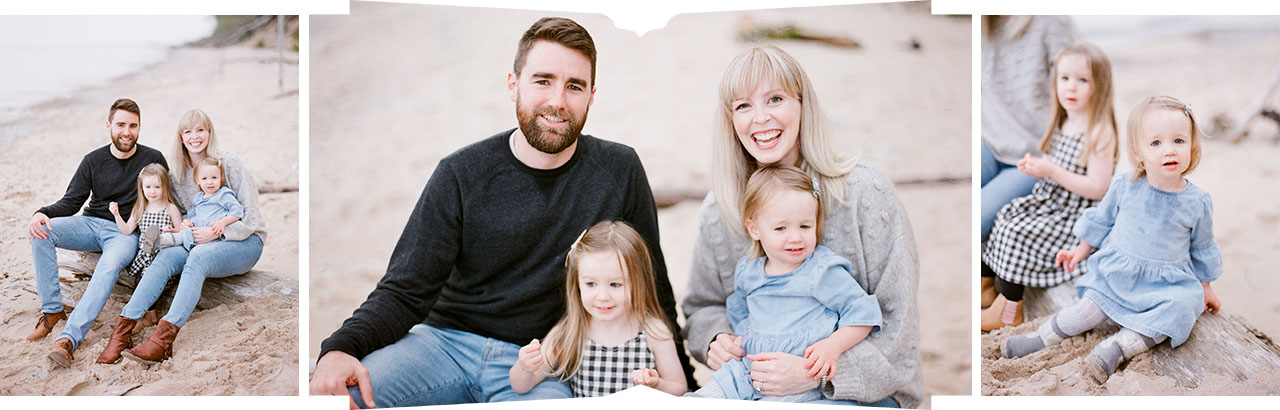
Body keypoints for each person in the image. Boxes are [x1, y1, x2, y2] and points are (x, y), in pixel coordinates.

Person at [309, 17, 693, 408]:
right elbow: (405, 289)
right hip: (444, 345)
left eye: (573, 86)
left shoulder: (620, 170)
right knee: (345, 399)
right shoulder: (461, 173)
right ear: (513, 85)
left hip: (542, 362)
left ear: (591, 96)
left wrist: (691, 389)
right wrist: (341, 348)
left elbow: (652, 288)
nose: (558, 101)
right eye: (543, 81)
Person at [682, 45, 921, 408]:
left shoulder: (865, 191)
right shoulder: (720, 209)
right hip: (757, 384)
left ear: (803, 105)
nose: (760, 118)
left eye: (775, 99)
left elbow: (897, 324)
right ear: (730, 119)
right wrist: (716, 340)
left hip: (860, 394)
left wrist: (817, 373)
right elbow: (702, 306)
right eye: (744, 106)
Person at [1003, 96, 1222, 385]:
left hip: (1166, 284)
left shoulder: (1197, 201)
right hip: (1118, 275)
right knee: (1085, 314)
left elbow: (1202, 247)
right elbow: (1102, 220)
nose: (1169, 150)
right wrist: (1080, 250)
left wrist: (1205, 288)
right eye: (1156, 143)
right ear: (1138, 151)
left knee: (1182, 309)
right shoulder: (1125, 185)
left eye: (1178, 141)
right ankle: (1039, 338)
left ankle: (1118, 347)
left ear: (1192, 146)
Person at [686, 165, 881, 402]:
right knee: (715, 388)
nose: (795, 237)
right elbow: (737, 310)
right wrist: (734, 341)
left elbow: (864, 312)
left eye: (805, 226)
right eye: (781, 228)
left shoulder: (822, 271)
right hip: (751, 368)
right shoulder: (749, 273)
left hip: (799, 378)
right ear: (754, 229)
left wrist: (833, 346)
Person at [980, 42, 1118, 332]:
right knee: (1006, 215)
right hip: (1053, 200)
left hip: (1075, 213)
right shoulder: (1064, 121)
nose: (1071, 87)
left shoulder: (1099, 132)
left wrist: (1052, 170)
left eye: (1082, 80)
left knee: (1018, 232)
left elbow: (1097, 188)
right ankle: (986, 286)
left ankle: (1009, 309)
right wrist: (1037, 165)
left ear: (1100, 85)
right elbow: (1054, 161)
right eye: (1064, 79)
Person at [113, 108, 266, 365]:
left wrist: (218, 231)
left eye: (200, 130)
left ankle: (163, 341)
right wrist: (184, 227)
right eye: (188, 131)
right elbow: (186, 216)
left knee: (197, 257)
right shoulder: (178, 176)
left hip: (244, 242)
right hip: (199, 241)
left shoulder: (228, 163)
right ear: (181, 137)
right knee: (165, 257)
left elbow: (250, 218)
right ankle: (121, 334)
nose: (195, 137)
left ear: (209, 133)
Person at [32, 98, 168, 368]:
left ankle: (68, 339)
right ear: (109, 125)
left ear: (139, 128)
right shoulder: (93, 160)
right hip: (90, 223)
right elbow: (71, 202)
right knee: (42, 231)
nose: (126, 131)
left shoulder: (153, 158)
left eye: (133, 126)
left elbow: (165, 198)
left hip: (124, 234)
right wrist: (42, 212)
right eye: (120, 125)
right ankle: (52, 310)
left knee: (108, 266)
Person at [510, 221, 687, 397]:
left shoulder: (653, 332)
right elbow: (521, 386)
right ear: (577, 283)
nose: (602, 296)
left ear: (639, 283)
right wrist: (525, 368)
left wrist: (656, 384)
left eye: (615, 284)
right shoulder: (570, 332)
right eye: (591, 284)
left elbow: (679, 387)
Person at [980, 16, 1079, 307]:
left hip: (1036, 155)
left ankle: (992, 292)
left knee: (980, 218)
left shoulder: (1050, 20)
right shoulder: (983, 21)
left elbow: (1087, 87)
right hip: (989, 141)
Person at [94, 163, 184, 364]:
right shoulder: (141, 208)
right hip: (144, 256)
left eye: (157, 187)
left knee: (156, 278)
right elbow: (126, 230)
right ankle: (150, 315)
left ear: (165, 188)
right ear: (142, 189)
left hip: (164, 254)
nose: (153, 192)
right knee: (140, 280)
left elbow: (181, 232)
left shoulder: (170, 208)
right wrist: (116, 214)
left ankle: (148, 316)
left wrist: (172, 231)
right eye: (148, 187)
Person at [148, 156, 244, 253]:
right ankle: (159, 241)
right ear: (198, 180)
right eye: (204, 178)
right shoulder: (198, 198)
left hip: (212, 233)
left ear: (221, 178)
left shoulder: (223, 194)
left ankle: (162, 240)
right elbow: (193, 215)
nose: (210, 182)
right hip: (197, 231)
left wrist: (223, 222)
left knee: (184, 236)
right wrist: (189, 222)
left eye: (214, 177)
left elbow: (238, 211)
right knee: (185, 233)